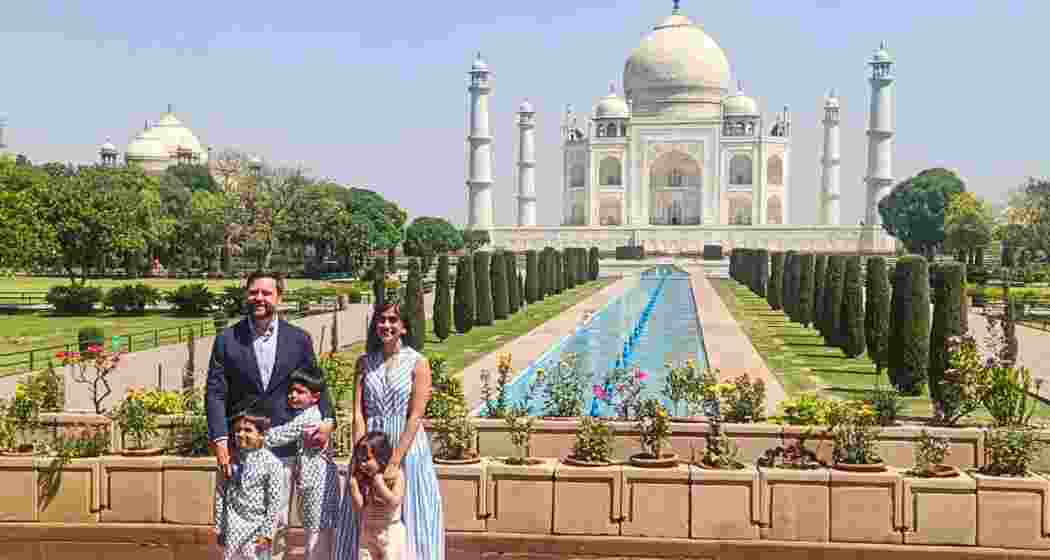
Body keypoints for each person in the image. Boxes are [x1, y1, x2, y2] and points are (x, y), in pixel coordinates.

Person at [206, 270, 337, 556]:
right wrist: (220, 441)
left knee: (276, 525)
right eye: (254, 292)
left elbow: (317, 384)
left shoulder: (299, 339)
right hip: (242, 449)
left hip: (283, 451)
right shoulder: (227, 340)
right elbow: (215, 393)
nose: (259, 298)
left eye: (266, 293)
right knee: (241, 525)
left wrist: (328, 421)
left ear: (279, 296)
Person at [334, 301, 444, 559]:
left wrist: (395, 460)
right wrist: (360, 454)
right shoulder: (364, 363)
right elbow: (358, 413)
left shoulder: (418, 362)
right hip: (369, 446)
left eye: (393, 320)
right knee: (362, 510)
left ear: (404, 327)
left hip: (405, 447)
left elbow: (416, 415)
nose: (386, 325)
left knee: (410, 512)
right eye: (381, 320)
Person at [264, 368, 340, 560]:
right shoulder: (312, 415)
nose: (293, 395)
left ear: (315, 397)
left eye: (300, 392)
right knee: (315, 529)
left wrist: (256, 437)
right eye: (292, 390)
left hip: (317, 484)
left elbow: (279, 435)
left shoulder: (309, 418)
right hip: (314, 483)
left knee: (317, 532)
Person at [214, 411, 287, 560]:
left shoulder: (272, 463)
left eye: (248, 430)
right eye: (238, 430)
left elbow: (275, 502)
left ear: (261, 435)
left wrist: (267, 533)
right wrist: (220, 527)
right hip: (232, 529)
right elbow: (220, 495)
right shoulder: (229, 461)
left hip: (257, 530)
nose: (241, 434)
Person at [349, 431, 408, 560]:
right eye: (360, 460)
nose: (362, 464)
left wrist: (380, 486)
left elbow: (394, 503)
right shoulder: (364, 478)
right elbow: (360, 509)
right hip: (368, 531)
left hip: (390, 531)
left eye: (367, 459)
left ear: (381, 456)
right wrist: (354, 487)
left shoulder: (396, 475)